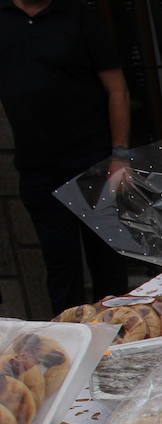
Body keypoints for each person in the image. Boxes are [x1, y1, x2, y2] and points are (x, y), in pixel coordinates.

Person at [0, 0, 130, 316]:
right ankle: (73, 344)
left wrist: (120, 155)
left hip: (94, 163)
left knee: (109, 265)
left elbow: (118, 90)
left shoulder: (81, 17)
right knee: (60, 267)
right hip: (37, 169)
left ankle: (122, 343)